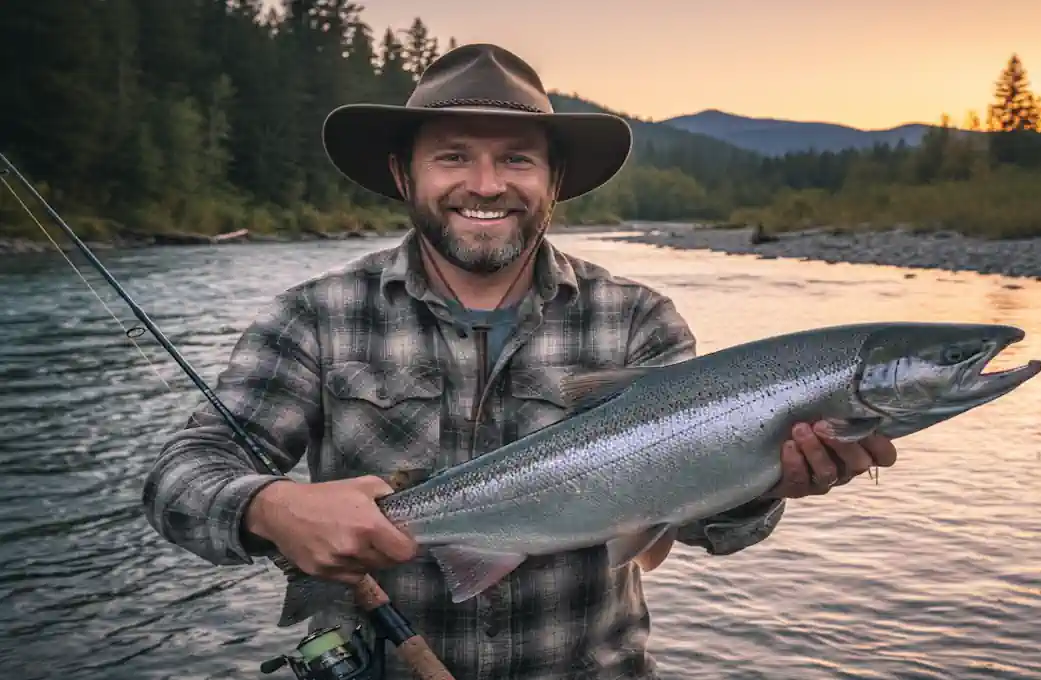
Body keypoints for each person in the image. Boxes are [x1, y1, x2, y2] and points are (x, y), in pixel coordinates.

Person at [141, 43, 898, 679]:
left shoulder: (637, 320)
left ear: (553, 182)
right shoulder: (316, 314)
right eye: (452, 157)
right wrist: (270, 507)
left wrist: (767, 479)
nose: (485, 184)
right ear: (406, 176)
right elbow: (180, 476)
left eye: (515, 158)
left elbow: (712, 531)